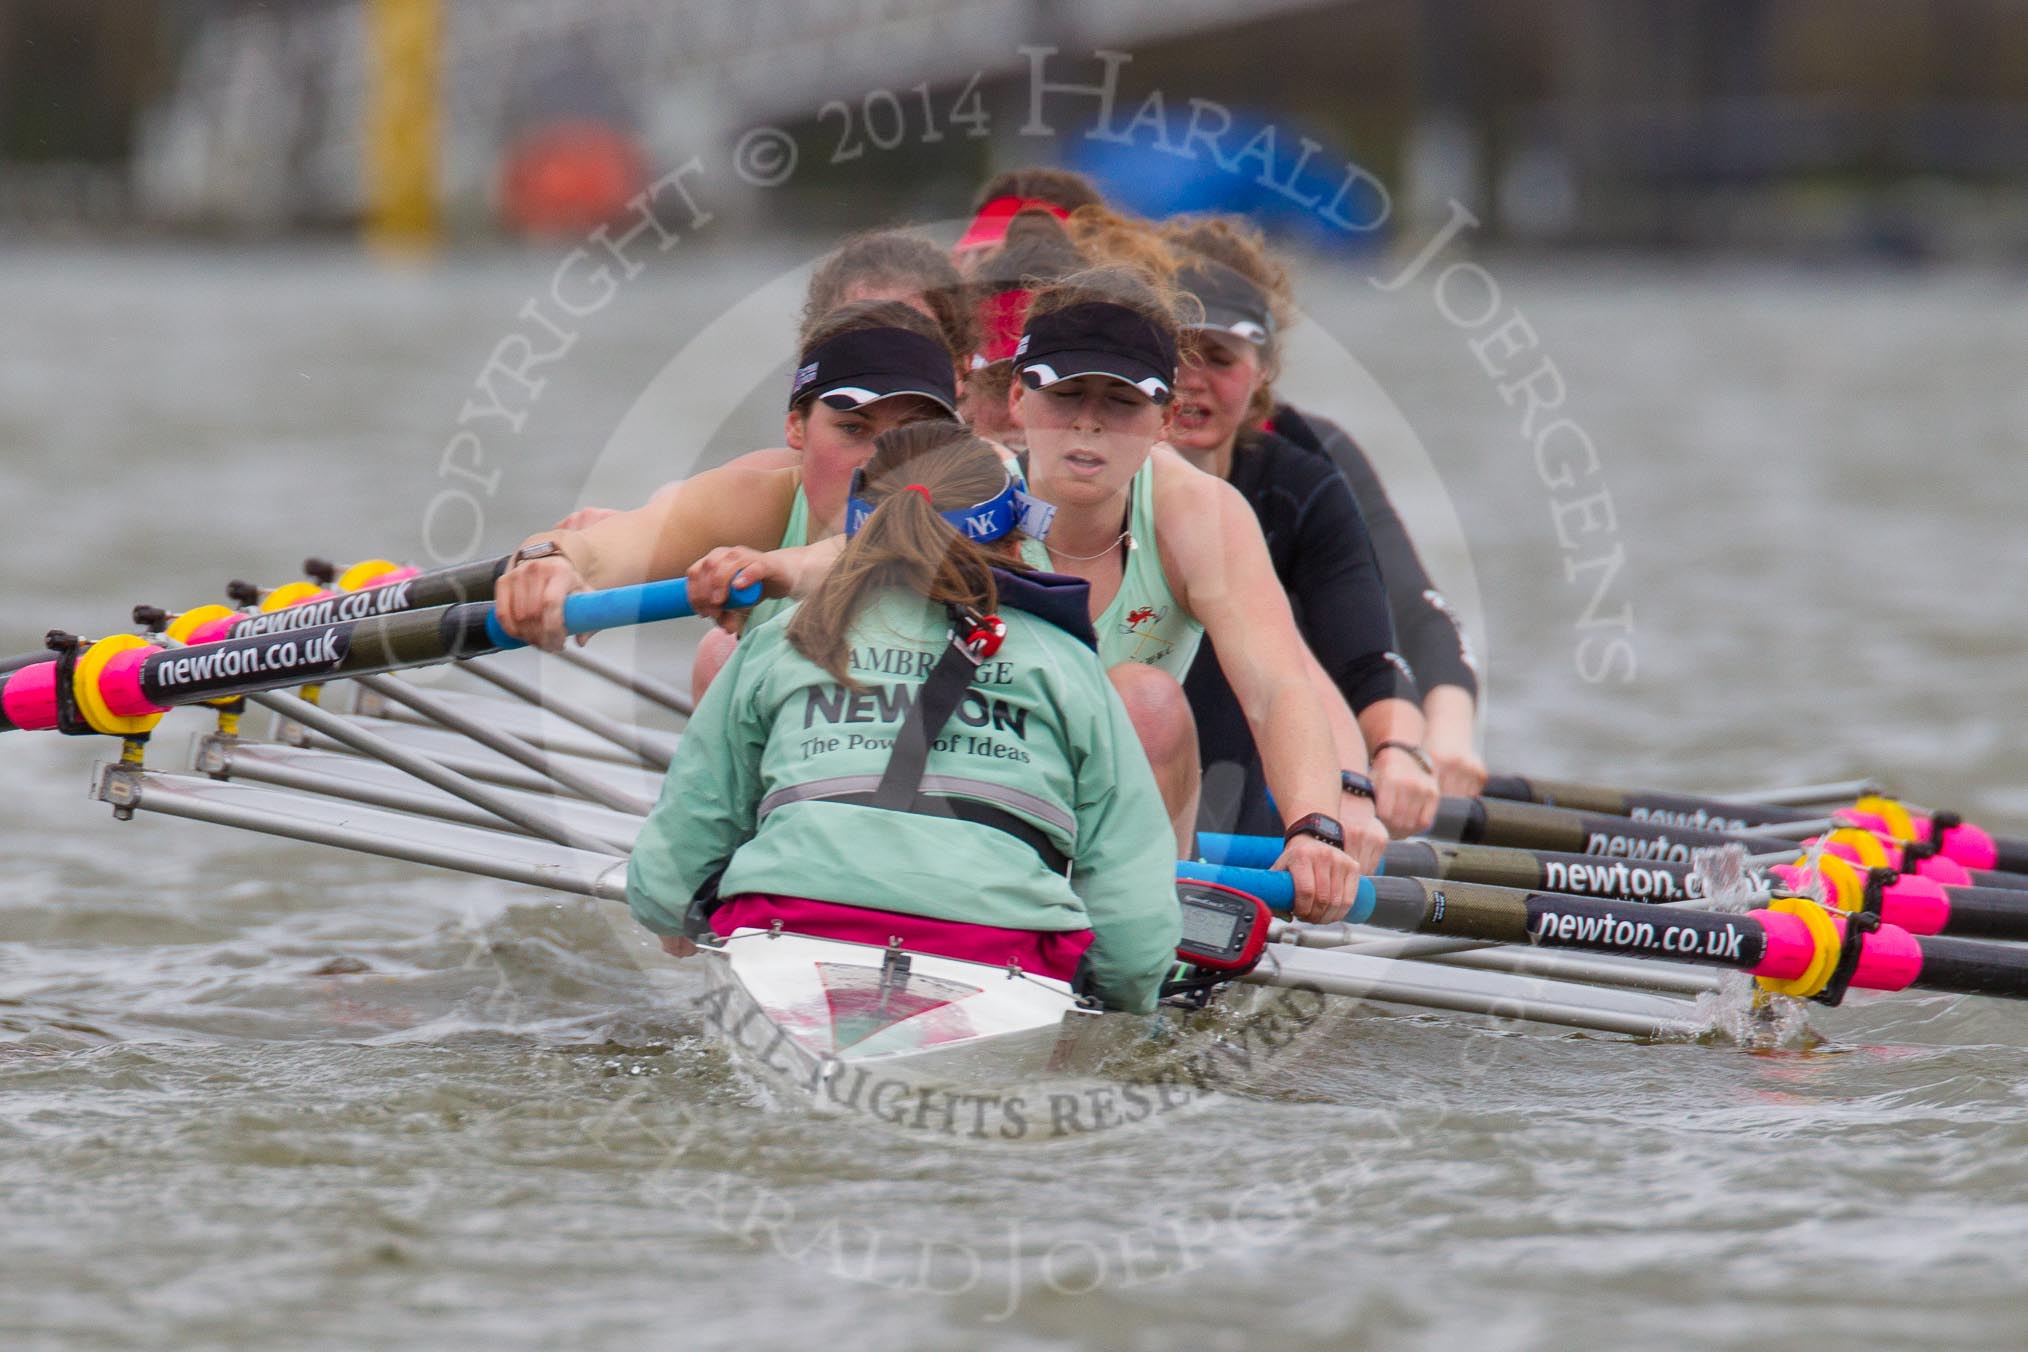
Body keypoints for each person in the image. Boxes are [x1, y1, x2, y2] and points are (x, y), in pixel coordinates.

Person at [693, 260, 1381, 919]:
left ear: (1166, 420)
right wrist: (777, 569)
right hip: (973, 776)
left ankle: (1149, 939)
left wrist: (1313, 830)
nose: (1088, 423)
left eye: (1121, 402)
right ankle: (738, 895)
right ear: (1019, 399)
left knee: (1145, 698)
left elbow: (1276, 687)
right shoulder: (979, 478)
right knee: (725, 656)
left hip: (1113, 809)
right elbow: (863, 552)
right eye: (1066, 394)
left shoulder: (1203, 516)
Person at [626, 421, 1184, 1013]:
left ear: (856, 532)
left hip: (782, 935)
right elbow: (1133, 926)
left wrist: (677, 916)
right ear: (1018, 538)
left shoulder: (787, 637)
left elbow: (670, 869)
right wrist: (1124, 1002)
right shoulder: (1067, 662)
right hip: (1004, 959)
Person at [1159, 214, 1441, 838]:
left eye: (1219, 358)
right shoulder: (1100, 479)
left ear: (1262, 370)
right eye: (1176, 355)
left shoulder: (1302, 484)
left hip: (1251, 790)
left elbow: (1367, 659)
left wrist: (1396, 753)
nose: (1193, 380)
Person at [494, 298, 960, 674]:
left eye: (913, 433)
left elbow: (878, 549)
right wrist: (546, 564)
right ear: (797, 428)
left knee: (714, 658)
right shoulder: (757, 502)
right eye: (853, 429)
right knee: (714, 658)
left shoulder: (986, 491)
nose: (882, 462)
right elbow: (596, 552)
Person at [551, 229, 972, 533]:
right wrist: (619, 535)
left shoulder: (989, 481)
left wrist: (791, 569)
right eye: (857, 336)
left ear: (960, 373)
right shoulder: (774, 481)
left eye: (913, 339)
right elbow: (682, 505)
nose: (886, 359)